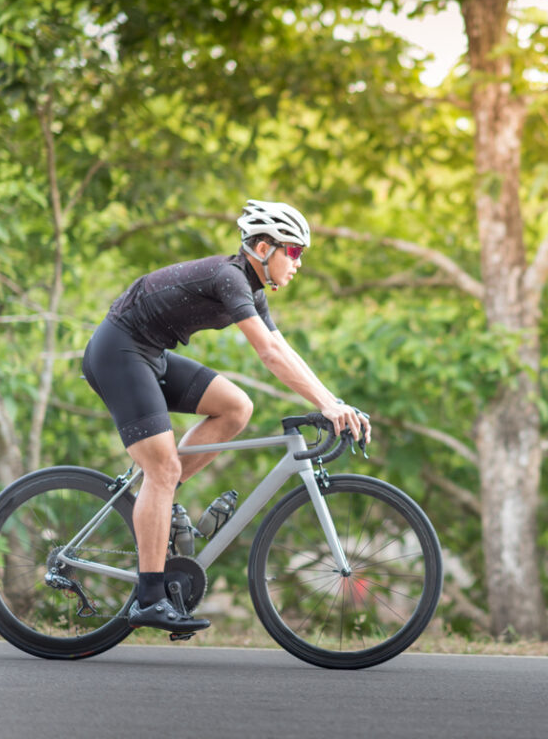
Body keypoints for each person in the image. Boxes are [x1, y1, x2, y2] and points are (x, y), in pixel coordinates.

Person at [81, 199, 370, 633]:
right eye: (292, 252)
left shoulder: (251, 289)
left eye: (301, 255)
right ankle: (148, 597)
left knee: (237, 407)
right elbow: (268, 354)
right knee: (161, 468)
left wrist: (334, 402)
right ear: (261, 246)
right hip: (118, 351)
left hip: (151, 355)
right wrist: (327, 406)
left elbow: (285, 348)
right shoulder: (229, 277)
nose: (298, 263)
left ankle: (158, 497)